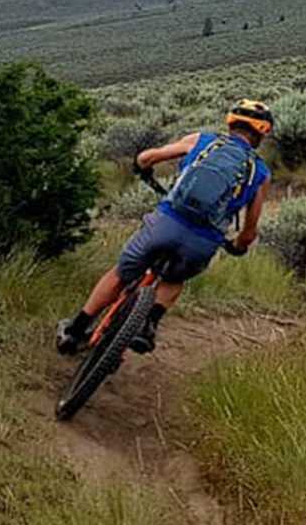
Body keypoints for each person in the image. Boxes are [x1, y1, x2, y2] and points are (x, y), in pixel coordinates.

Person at [56, 100, 273, 356]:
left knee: (121, 274)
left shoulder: (202, 140)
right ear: (262, 132)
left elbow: (148, 157)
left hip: (167, 222)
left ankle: (75, 330)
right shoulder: (260, 172)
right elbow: (249, 231)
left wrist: (142, 166)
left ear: (231, 121)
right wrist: (238, 246)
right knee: (174, 279)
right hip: (203, 240)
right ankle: (146, 327)